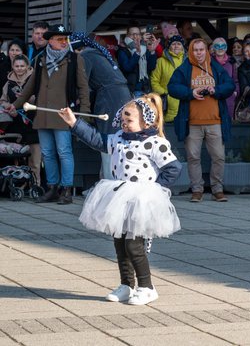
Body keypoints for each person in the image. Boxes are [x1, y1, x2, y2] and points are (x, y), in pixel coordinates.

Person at [59, 94, 182, 306]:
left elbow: (173, 168)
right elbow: (97, 140)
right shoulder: (118, 138)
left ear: (147, 122)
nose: (124, 124)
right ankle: (126, 285)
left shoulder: (155, 143)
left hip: (141, 200)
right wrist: (74, 123)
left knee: (134, 246)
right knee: (120, 243)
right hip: (120, 198)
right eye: (123, 120)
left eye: (130, 121)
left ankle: (146, 287)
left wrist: (156, 189)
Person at [10, 24, 90, 205]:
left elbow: (83, 88)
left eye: (65, 39)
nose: (64, 42)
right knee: (47, 153)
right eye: (60, 39)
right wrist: (16, 105)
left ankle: (66, 189)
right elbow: (30, 85)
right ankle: (52, 187)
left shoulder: (75, 59)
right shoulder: (41, 58)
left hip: (63, 114)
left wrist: (83, 115)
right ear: (51, 40)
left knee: (64, 152)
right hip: (42, 114)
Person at [168, 38, 234, 203]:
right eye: (195, 50)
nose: (199, 53)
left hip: (215, 121)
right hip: (192, 123)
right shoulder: (185, 68)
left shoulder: (215, 66)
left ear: (206, 50)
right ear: (191, 51)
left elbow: (230, 85)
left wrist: (216, 90)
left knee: (219, 157)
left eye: (201, 50)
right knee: (193, 158)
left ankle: (217, 190)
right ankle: (197, 190)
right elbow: (172, 87)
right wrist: (191, 93)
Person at [70, 32, 132, 179]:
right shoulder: (98, 53)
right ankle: (105, 180)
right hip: (122, 95)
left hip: (109, 98)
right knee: (117, 139)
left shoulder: (85, 55)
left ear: (77, 48)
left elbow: (82, 84)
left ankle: (109, 184)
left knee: (107, 140)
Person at [0, 54, 41, 184]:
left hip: (32, 121)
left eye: (22, 66)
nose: (19, 68)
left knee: (35, 157)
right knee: (17, 156)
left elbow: (40, 98)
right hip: (15, 122)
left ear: (27, 66)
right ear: (13, 66)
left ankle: (36, 184)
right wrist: (9, 107)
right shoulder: (8, 82)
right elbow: (3, 100)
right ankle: (19, 184)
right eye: (17, 66)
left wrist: (28, 99)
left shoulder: (34, 78)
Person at [150, 35, 186, 122]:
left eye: (179, 44)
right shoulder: (161, 61)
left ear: (182, 47)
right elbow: (154, 80)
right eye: (173, 44)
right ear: (169, 46)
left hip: (184, 103)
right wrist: (165, 93)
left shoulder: (188, 61)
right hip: (167, 105)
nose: (176, 46)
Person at [117, 25, 158, 96]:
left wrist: (152, 51)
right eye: (132, 34)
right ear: (127, 35)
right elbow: (127, 68)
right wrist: (137, 53)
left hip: (145, 88)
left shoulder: (144, 48)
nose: (135, 37)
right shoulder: (123, 50)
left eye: (138, 34)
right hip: (131, 89)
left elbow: (151, 67)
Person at [210, 37, 238, 117]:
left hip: (228, 97)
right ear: (213, 48)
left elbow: (235, 79)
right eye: (217, 46)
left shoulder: (231, 61)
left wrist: (235, 91)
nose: (220, 48)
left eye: (223, 46)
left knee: (227, 122)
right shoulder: (208, 61)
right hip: (213, 96)